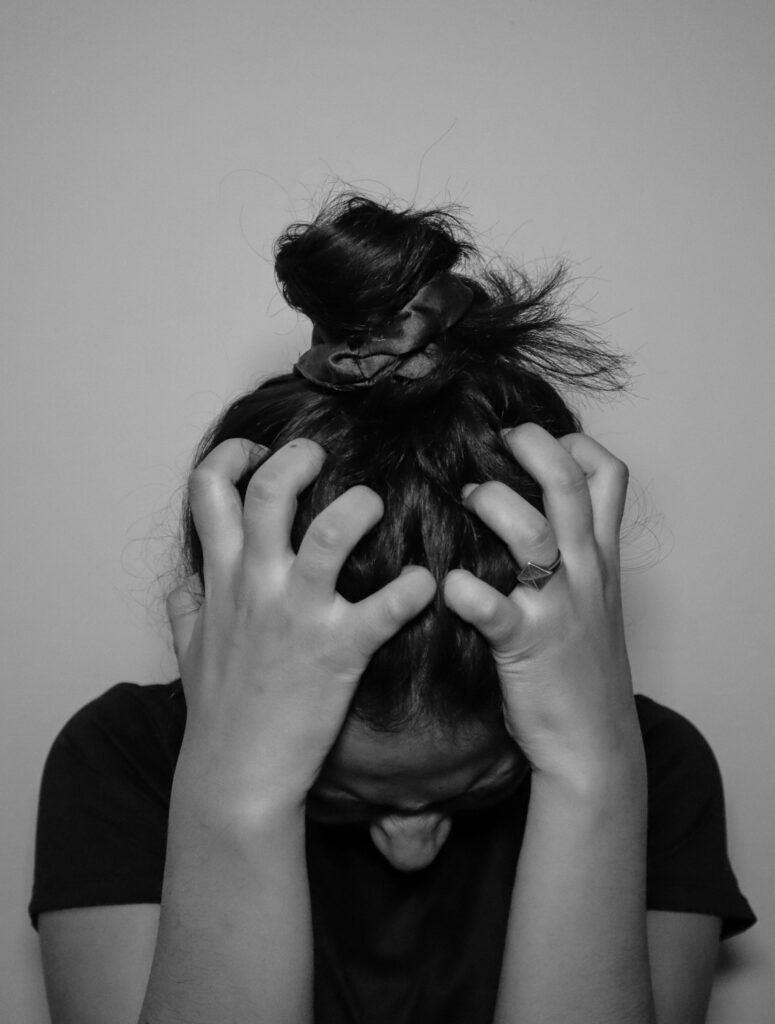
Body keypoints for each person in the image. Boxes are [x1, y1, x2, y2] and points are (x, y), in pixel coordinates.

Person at [30, 194, 755, 1024]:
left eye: (480, 788)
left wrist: (593, 776)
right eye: (338, 798)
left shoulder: (654, 765)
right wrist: (237, 794)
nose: (410, 846)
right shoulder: (122, 759)